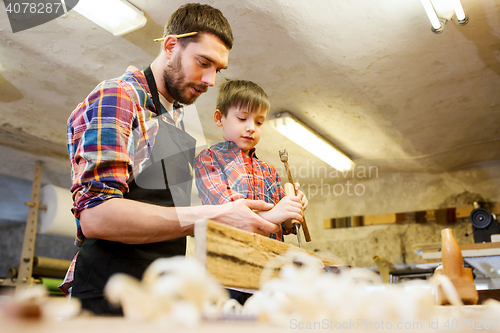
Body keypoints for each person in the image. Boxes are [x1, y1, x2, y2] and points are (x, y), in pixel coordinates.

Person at [64, 4, 281, 315]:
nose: (210, 80)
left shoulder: (180, 119)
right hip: (109, 293)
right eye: (203, 62)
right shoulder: (118, 97)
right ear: (170, 46)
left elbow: (178, 213)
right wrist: (212, 216)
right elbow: (97, 216)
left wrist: (245, 214)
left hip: (160, 293)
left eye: (217, 70)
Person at [194, 79, 308, 241]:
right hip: (228, 256)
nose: (252, 128)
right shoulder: (209, 159)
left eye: (259, 122)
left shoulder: (269, 171)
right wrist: (273, 214)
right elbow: (228, 212)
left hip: (270, 258)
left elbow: (285, 226)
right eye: (242, 118)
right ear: (219, 118)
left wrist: (293, 209)